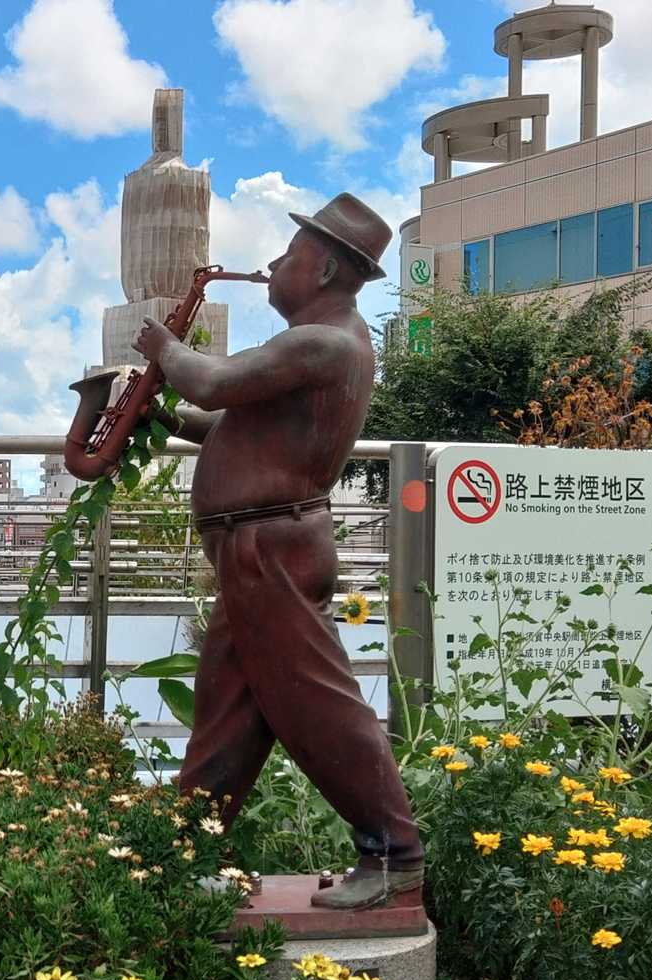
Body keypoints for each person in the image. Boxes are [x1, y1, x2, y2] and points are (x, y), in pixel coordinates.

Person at [131, 193, 424, 911]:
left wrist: (163, 348)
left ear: (323, 270)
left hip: (271, 549)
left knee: (316, 702)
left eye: (289, 255)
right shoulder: (321, 344)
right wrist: (164, 415)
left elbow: (214, 383)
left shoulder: (322, 343)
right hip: (256, 549)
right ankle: (189, 853)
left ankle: (395, 854)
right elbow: (232, 427)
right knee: (228, 708)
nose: (271, 265)